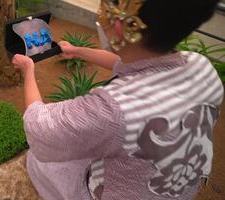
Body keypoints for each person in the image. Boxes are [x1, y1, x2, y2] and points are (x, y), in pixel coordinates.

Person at [12, 0, 223, 199]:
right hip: (179, 187)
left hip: (123, 192)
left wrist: (29, 71)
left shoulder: (113, 111)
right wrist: (77, 51)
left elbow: (40, 127)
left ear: (121, 27)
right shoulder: (202, 67)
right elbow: (134, 64)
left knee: (39, 161)